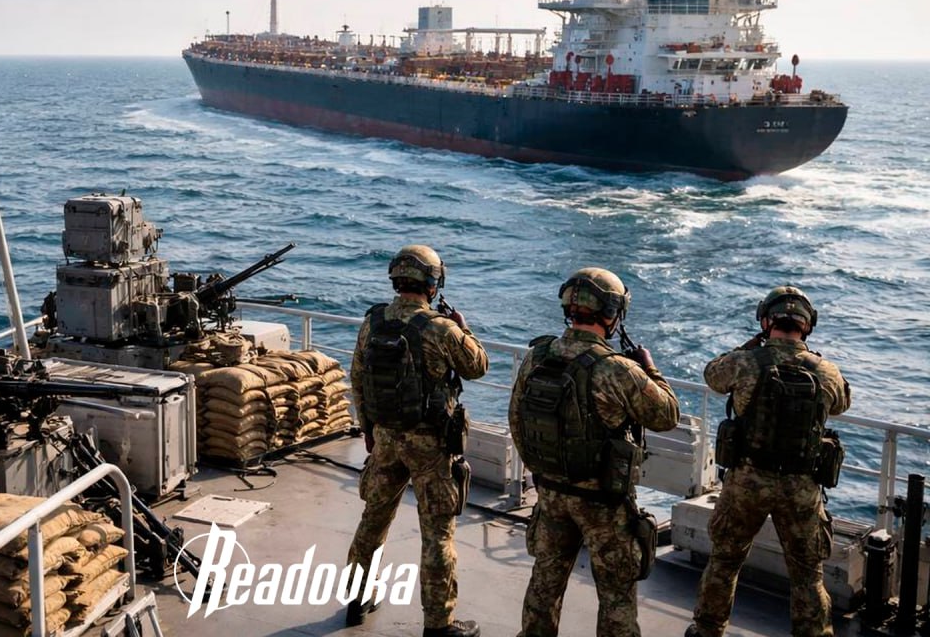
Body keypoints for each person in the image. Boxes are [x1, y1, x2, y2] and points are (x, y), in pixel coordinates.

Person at [510, 267, 679, 637]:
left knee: (545, 582)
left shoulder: (537, 356)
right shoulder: (616, 369)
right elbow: (667, 415)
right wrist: (650, 368)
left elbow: (516, 421)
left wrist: (544, 471)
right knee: (616, 593)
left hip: (551, 492)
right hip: (603, 502)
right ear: (612, 313)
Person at [687, 286, 850, 637]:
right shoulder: (825, 371)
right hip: (801, 487)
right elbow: (841, 403)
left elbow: (713, 375)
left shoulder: (745, 362)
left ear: (765, 321)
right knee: (807, 574)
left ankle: (706, 630)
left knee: (725, 562)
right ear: (807, 325)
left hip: (747, 482)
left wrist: (749, 347)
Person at [345, 245, 489, 637]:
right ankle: (439, 624)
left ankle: (357, 599)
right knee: (438, 533)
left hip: (385, 438)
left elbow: (357, 377)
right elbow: (477, 366)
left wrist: (369, 429)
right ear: (433, 283)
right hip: (429, 446)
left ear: (396, 279)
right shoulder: (441, 328)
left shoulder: (374, 321)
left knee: (373, 519)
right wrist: (463, 327)